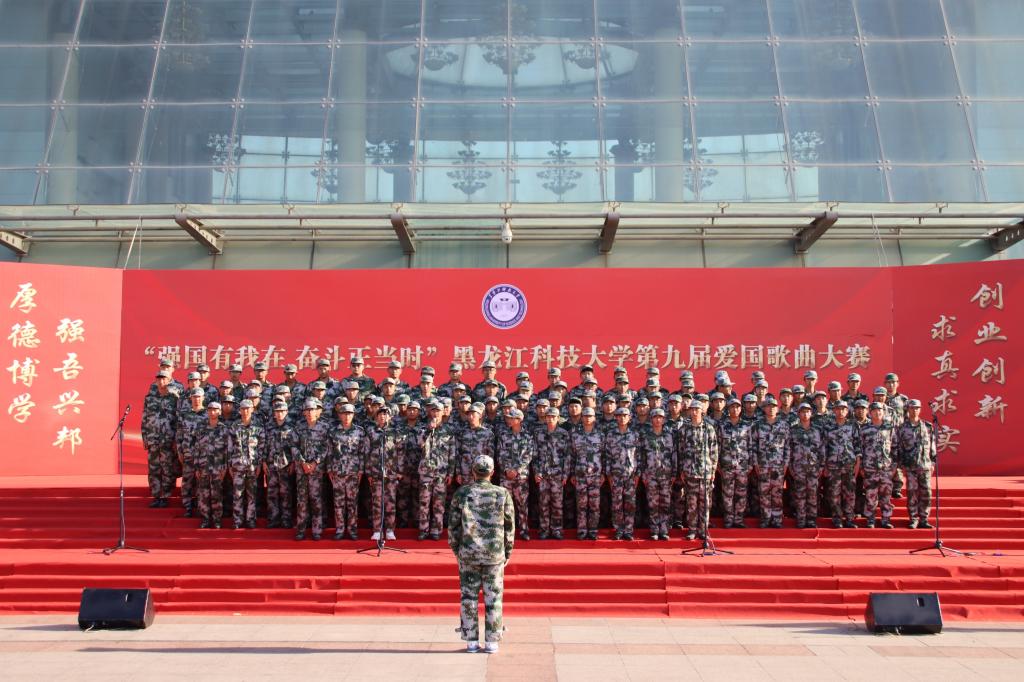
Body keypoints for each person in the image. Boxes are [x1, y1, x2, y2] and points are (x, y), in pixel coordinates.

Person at [448, 454, 515, 654]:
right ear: (492, 472)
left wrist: (457, 550)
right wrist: (507, 551)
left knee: (468, 597)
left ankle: (471, 641)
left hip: (468, 554)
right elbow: (509, 526)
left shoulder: (462, 493)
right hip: (494, 554)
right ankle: (492, 641)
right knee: (493, 598)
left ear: (473, 471)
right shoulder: (502, 493)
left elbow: (453, 526)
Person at [416, 400, 457, 540]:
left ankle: (436, 531)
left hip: (441, 473)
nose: (435, 414)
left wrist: (451, 473)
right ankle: (423, 530)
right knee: (424, 503)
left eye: (438, 411)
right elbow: (419, 444)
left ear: (443, 413)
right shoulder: (423, 429)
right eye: (433, 410)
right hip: (426, 473)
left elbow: (452, 454)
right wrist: (429, 430)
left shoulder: (449, 431)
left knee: (439, 504)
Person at [678, 402, 719, 540]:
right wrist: (682, 469)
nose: (695, 411)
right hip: (689, 472)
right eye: (693, 409)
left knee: (705, 503)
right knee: (691, 503)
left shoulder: (709, 428)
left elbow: (714, 451)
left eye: (697, 409)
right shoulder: (684, 429)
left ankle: (703, 530)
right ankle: (692, 529)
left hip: (705, 472)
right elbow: (680, 450)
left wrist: (713, 470)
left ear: (702, 411)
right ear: (689, 411)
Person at [328, 403, 368, 540]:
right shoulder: (333, 431)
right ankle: (339, 529)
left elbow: (362, 452)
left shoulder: (360, 431)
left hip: (353, 472)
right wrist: (329, 469)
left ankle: (352, 529)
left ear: (353, 415)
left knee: (352, 502)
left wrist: (361, 471)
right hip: (337, 472)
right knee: (338, 502)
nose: (347, 416)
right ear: (339, 415)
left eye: (349, 413)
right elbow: (329, 452)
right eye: (344, 413)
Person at [294, 398, 332, 541]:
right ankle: (301, 530)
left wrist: (315, 463)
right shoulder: (298, 427)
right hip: (302, 469)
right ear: (304, 412)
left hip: (317, 470)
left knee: (316, 500)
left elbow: (326, 447)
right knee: (301, 501)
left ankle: (317, 530)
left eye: (312, 410)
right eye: (307, 410)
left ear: (317, 412)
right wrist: (303, 462)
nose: (310, 412)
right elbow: (293, 446)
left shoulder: (324, 427)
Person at [141, 370, 180, 508]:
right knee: (154, 469)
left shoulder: (174, 398)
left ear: (169, 381)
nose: (161, 381)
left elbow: (178, 420)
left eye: (164, 379)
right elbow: (145, 418)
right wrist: (145, 437)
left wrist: (177, 440)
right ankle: (156, 495)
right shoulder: (150, 398)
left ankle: (165, 496)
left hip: (168, 439)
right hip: (153, 439)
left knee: (167, 468)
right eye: (159, 379)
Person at [366, 407, 404, 541]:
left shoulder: (395, 432)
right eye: (380, 414)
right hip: (376, 473)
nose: (383, 416)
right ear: (376, 417)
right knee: (377, 502)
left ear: (390, 417)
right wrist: (368, 472)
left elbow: (400, 452)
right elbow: (366, 452)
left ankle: (390, 530)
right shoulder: (371, 432)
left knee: (390, 502)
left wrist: (400, 471)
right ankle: (377, 530)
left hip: (391, 473)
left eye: (385, 414)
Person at [497, 408, 535, 541]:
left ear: (519, 420)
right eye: (508, 417)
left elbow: (528, 455)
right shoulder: (503, 435)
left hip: (521, 477)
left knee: (522, 505)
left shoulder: (527, 436)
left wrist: (517, 470)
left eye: (511, 418)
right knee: (505, 505)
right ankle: (507, 532)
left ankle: (524, 530)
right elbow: (500, 454)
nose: (508, 420)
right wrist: (507, 470)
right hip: (506, 476)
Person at [227, 399, 266, 530]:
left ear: (252, 410)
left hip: (252, 466)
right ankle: (237, 520)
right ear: (239, 410)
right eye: (243, 409)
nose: (245, 411)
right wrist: (229, 464)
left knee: (251, 494)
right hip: (237, 465)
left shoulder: (258, 426)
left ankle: (250, 519)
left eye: (248, 408)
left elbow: (262, 446)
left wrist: (259, 464)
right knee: (237, 494)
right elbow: (230, 447)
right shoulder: (234, 426)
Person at [897, 399, 935, 529]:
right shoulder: (902, 428)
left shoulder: (927, 426)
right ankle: (913, 518)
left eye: (917, 408)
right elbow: (899, 447)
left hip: (925, 465)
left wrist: (933, 462)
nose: (914, 410)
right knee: (912, 492)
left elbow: (932, 445)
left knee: (926, 492)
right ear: (908, 409)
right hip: (910, 466)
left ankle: (924, 518)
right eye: (912, 408)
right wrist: (901, 464)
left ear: (920, 409)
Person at [717, 397, 755, 529]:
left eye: (737, 407)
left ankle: (738, 519)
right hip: (726, 465)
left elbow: (751, 446)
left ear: (741, 409)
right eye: (732, 407)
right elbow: (718, 446)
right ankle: (728, 519)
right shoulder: (722, 426)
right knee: (727, 494)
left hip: (742, 466)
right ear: (728, 409)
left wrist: (751, 464)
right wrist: (718, 465)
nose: (735, 409)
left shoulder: (747, 426)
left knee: (741, 494)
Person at [859, 402, 898, 529]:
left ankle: (886, 519)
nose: (877, 413)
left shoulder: (889, 428)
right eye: (874, 411)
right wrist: (861, 467)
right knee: (870, 495)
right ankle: (870, 519)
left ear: (883, 412)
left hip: (886, 468)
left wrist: (894, 467)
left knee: (886, 495)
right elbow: (860, 449)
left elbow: (895, 448)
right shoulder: (864, 429)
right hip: (870, 468)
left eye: (880, 410)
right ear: (870, 413)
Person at [752, 398, 790, 528]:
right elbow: (753, 445)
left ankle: (777, 519)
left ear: (777, 408)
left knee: (777, 493)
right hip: (763, 464)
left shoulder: (784, 425)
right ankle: (765, 519)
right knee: (764, 493)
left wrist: (786, 463)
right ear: (764, 408)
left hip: (778, 465)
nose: (771, 408)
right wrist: (755, 463)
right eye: (768, 406)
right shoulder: (758, 425)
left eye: (774, 406)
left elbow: (787, 446)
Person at [534, 406, 571, 540]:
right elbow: (534, 454)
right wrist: (536, 471)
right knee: (543, 503)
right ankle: (544, 530)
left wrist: (565, 474)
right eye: (548, 417)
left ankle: (557, 530)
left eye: (553, 417)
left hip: (557, 474)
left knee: (557, 504)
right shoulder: (538, 433)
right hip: (543, 474)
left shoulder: (563, 434)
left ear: (558, 418)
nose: (550, 419)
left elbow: (567, 456)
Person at [604, 407, 640, 541]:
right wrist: (608, 475)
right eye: (619, 415)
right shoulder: (611, 435)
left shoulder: (634, 434)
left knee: (630, 504)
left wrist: (638, 474)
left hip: (631, 475)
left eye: (625, 415)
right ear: (616, 417)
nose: (622, 418)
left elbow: (639, 455)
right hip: (615, 475)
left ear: (629, 418)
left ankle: (629, 531)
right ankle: (619, 530)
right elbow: (607, 455)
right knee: (617, 504)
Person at [194, 401, 231, 529]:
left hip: (218, 468)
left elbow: (227, 450)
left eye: (215, 410)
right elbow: (197, 448)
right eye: (210, 410)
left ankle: (217, 520)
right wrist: (196, 467)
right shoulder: (201, 428)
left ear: (219, 412)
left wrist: (225, 467)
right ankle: (205, 519)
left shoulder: (224, 429)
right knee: (203, 494)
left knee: (217, 494)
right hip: (203, 466)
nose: (212, 412)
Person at [641, 408, 676, 540]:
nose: (657, 420)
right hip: (651, 475)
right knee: (653, 504)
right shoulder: (646, 436)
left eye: (660, 417)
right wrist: (643, 474)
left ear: (664, 419)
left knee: (665, 503)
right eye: (655, 417)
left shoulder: (669, 436)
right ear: (651, 419)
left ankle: (664, 530)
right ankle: (654, 530)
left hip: (666, 475)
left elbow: (674, 455)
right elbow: (641, 456)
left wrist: (674, 473)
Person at [788, 403, 825, 529]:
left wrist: (821, 466)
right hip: (798, 468)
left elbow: (822, 449)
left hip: (813, 468)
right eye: (802, 412)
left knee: (813, 495)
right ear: (798, 414)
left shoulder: (817, 430)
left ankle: (811, 520)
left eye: (808, 411)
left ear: (811, 413)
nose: (805, 414)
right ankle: (801, 519)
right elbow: (789, 449)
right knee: (800, 495)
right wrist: (790, 466)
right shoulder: (793, 430)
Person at [824, 400, 859, 529]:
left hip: (849, 464)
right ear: (834, 411)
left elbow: (857, 445)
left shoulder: (852, 425)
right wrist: (825, 465)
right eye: (838, 409)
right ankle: (837, 518)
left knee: (849, 493)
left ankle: (849, 518)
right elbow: (824, 447)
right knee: (834, 493)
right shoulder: (828, 427)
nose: (840, 411)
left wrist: (858, 463)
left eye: (843, 409)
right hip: (833, 465)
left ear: (847, 411)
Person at [570, 407, 604, 540]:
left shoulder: (600, 435)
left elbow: (605, 455)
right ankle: (582, 530)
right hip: (580, 475)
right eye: (585, 416)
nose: (588, 418)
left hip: (596, 475)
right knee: (581, 504)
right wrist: (572, 474)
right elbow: (572, 455)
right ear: (581, 418)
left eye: (590, 416)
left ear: (594, 418)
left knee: (595, 505)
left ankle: (593, 530)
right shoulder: (575, 435)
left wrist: (604, 473)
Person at [264, 401, 297, 529]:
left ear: (286, 412)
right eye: (277, 411)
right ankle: (273, 519)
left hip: (285, 465)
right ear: (274, 413)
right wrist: (264, 462)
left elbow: (294, 446)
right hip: (271, 464)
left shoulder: (291, 428)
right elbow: (265, 445)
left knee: (286, 493)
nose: (279, 414)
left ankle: (286, 519)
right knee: (272, 493)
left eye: (282, 411)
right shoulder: (269, 428)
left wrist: (293, 462)